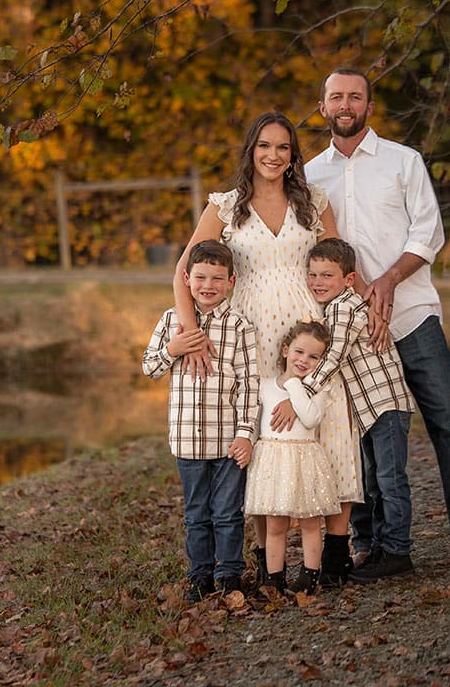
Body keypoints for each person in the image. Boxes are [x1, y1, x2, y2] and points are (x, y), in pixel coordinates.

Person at [305, 67, 450, 568]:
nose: (345, 105)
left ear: (369, 106)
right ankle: (371, 542)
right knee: (364, 437)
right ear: (323, 107)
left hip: (411, 315)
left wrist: (388, 280)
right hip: (352, 331)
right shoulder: (309, 175)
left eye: (355, 96)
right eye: (336, 97)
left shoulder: (402, 161)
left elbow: (428, 233)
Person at [171, 110, 361, 589]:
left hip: (307, 330)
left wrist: (360, 310)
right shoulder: (226, 205)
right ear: (250, 150)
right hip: (250, 335)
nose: (273, 156)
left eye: (283, 147)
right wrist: (192, 333)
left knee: (329, 429)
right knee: (261, 443)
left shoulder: (312, 202)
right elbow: (183, 271)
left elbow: (337, 264)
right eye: (264, 146)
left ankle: (333, 554)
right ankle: (267, 559)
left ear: (293, 155)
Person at [143, 239, 259, 602]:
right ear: (186, 278)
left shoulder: (239, 326)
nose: (208, 286)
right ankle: (200, 574)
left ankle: (228, 573)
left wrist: (245, 434)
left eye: (217, 278)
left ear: (231, 281)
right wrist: (172, 350)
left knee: (227, 512)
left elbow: (249, 385)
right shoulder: (170, 321)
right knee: (196, 514)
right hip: (188, 441)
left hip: (227, 441)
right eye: (200, 277)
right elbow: (149, 368)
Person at [304, 237, 416, 583]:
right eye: (313, 275)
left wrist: (304, 390)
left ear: (348, 280)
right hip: (370, 411)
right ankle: (381, 547)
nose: (318, 282)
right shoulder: (334, 306)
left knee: (390, 480)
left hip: (386, 405)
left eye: (327, 275)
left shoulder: (345, 307)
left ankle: (398, 551)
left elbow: (333, 356)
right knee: (375, 483)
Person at [244, 320, 342, 596]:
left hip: (304, 458)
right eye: (299, 352)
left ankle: (310, 576)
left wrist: (295, 385)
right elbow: (253, 421)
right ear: (286, 350)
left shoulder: (318, 390)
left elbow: (310, 417)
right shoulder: (265, 386)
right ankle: (274, 579)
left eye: (314, 357)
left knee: (310, 523)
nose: (304, 360)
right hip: (273, 461)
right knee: (275, 525)